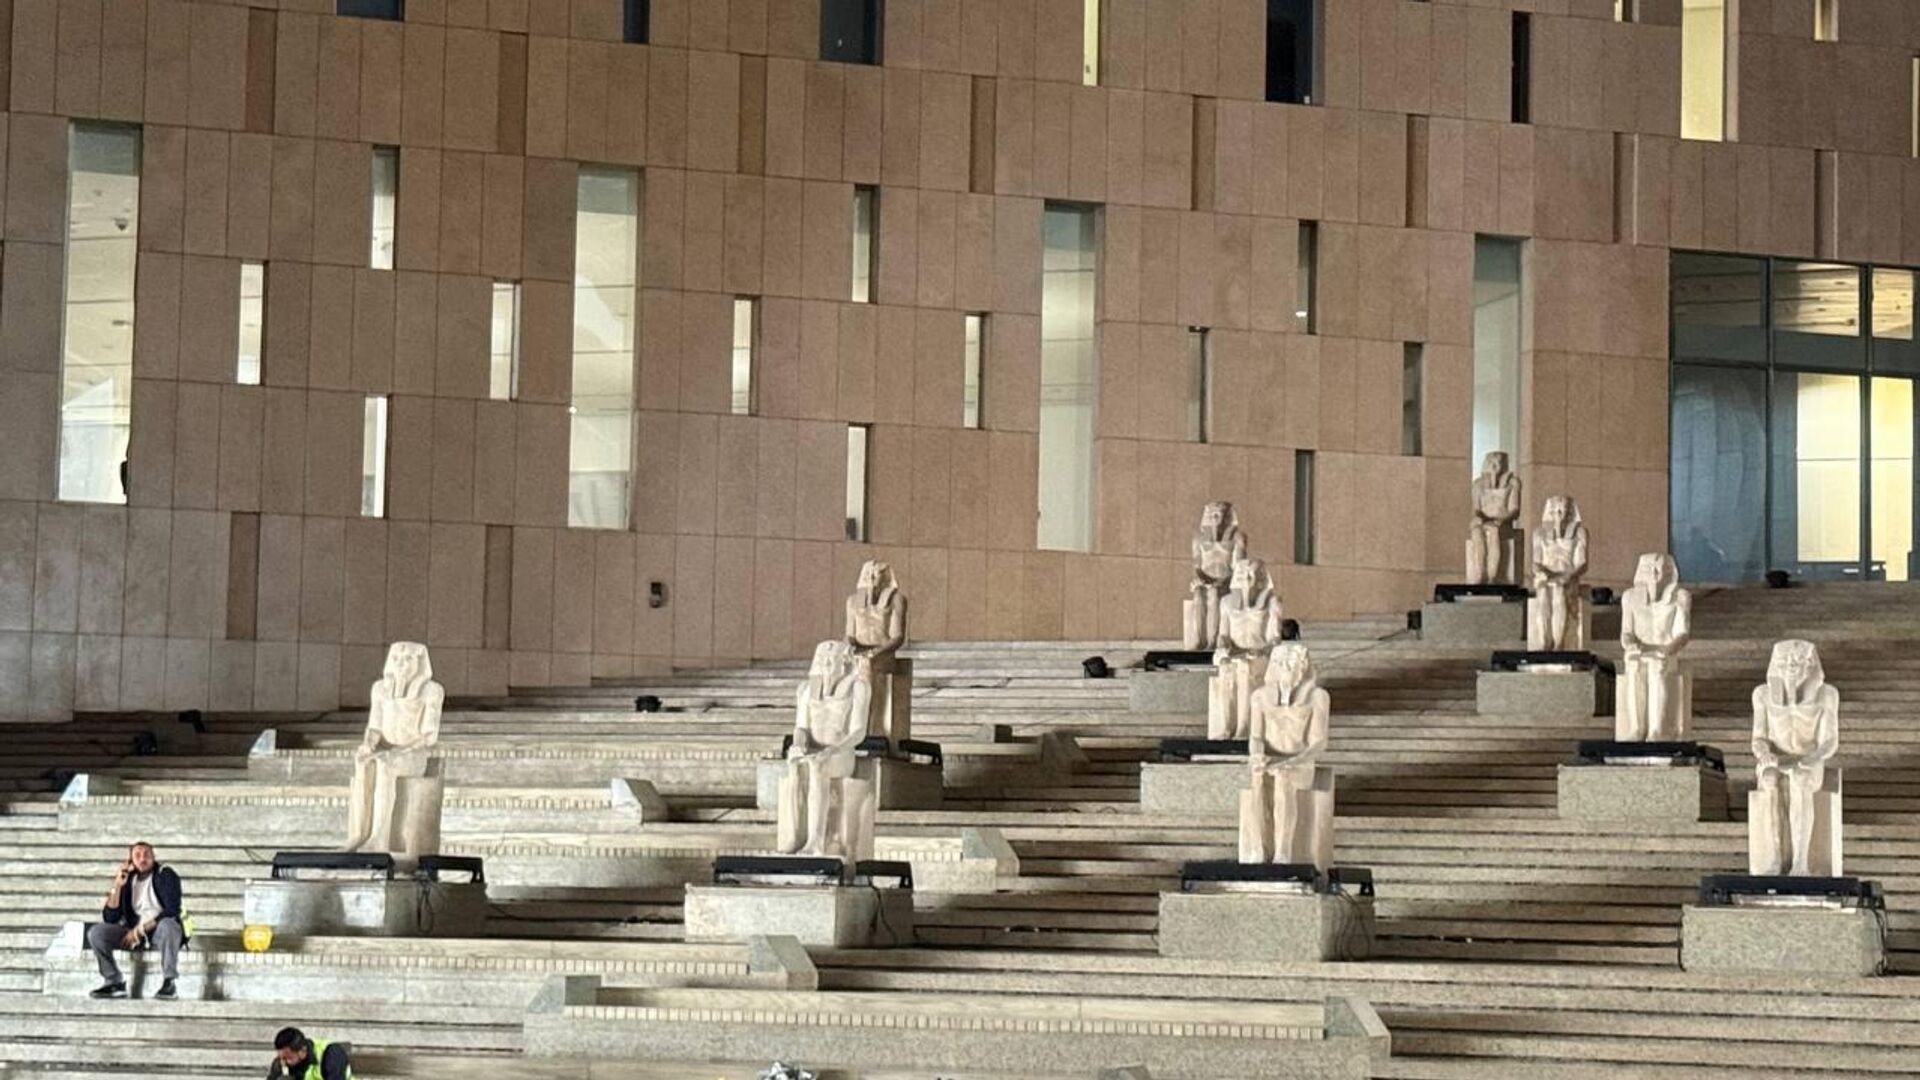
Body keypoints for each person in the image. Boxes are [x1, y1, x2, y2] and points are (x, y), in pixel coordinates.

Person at [87, 841, 185, 1000]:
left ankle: (169, 982)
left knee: (169, 925)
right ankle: (113, 981)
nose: (143, 858)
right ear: (130, 860)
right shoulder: (128, 880)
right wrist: (117, 885)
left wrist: (140, 931)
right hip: (131, 932)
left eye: (147, 854)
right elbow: (110, 917)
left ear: (154, 857)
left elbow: (172, 910)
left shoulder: (165, 875)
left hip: (158, 933)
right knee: (96, 933)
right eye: (137, 855)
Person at [268, 1027, 352, 1080]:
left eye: (288, 1058)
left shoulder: (332, 1054)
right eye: (280, 1057)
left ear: (302, 1052)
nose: (283, 1062)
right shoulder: (280, 1064)